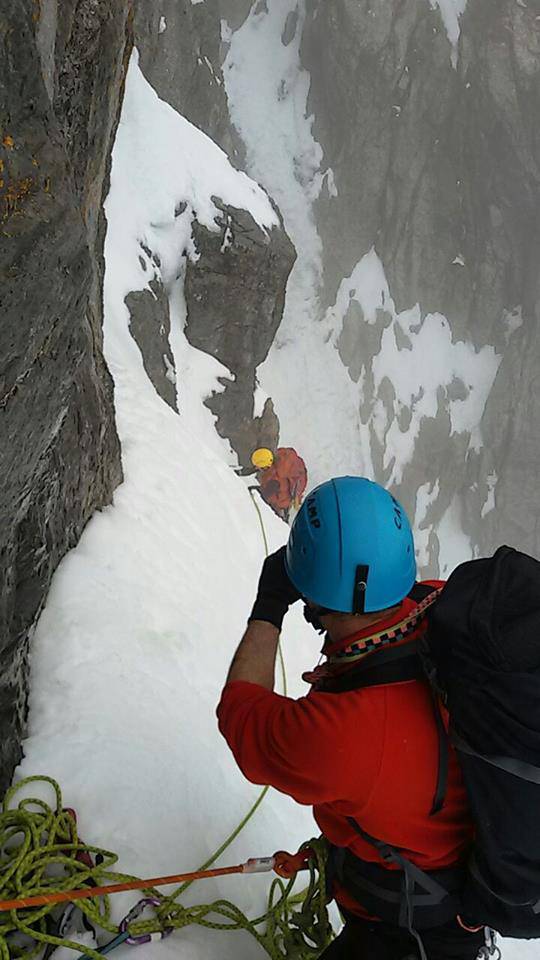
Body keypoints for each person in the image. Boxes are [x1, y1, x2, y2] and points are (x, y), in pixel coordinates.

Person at [217, 477, 487, 960]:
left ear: (309, 585)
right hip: (449, 898)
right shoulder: (447, 609)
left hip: (404, 931)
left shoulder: (334, 736)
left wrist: (269, 606)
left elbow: (241, 714)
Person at [250, 447, 307, 522]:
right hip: (291, 489)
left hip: (283, 500)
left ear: (264, 466)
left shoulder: (274, 480)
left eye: (258, 467)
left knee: (276, 517)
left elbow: (265, 496)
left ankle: (283, 520)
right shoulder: (282, 458)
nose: (257, 468)